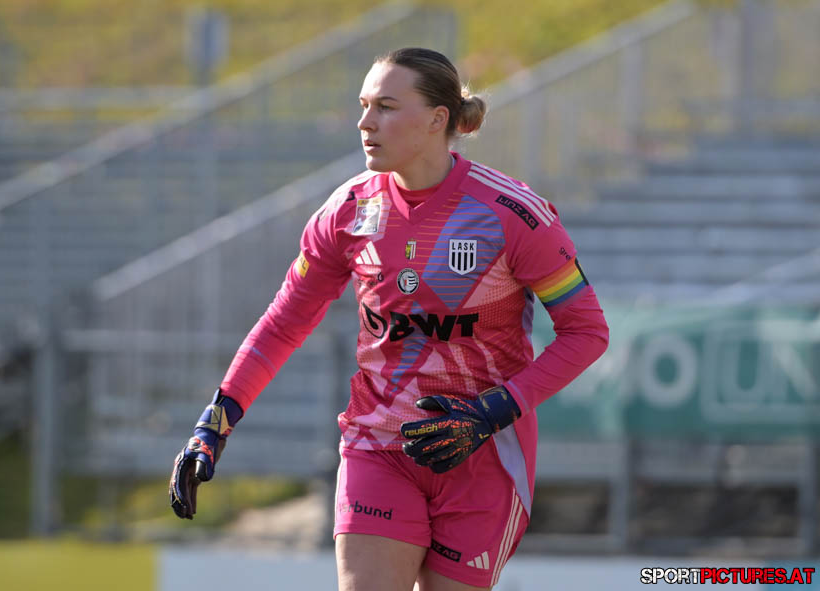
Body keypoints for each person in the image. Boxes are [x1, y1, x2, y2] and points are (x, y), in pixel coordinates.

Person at [169, 47, 609, 591]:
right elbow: (284, 323)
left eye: (385, 106)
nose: (364, 122)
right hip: (378, 447)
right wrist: (214, 423)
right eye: (363, 105)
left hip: (484, 454)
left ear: (436, 120)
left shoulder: (513, 214)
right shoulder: (347, 211)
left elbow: (587, 333)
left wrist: (489, 414)